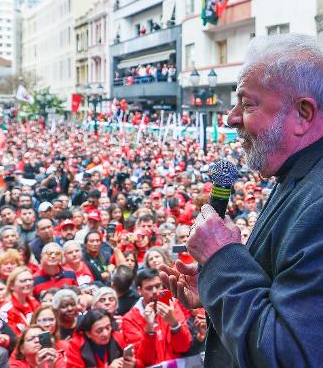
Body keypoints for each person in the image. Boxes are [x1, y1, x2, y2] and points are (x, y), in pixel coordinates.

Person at [162, 34, 323, 367]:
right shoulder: (296, 177)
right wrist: (215, 286)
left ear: (303, 113)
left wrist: (222, 259)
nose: (231, 117)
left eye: (248, 104)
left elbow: (287, 354)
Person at [122, 269, 191, 366]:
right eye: (149, 288)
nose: (155, 291)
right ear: (139, 291)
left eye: (158, 286)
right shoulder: (129, 319)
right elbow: (144, 360)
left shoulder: (172, 306)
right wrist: (149, 328)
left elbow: (184, 347)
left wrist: (174, 324)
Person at [66, 309, 142, 368]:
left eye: (108, 327)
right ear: (88, 333)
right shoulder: (76, 345)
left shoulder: (117, 337)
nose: (105, 334)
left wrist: (134, 364)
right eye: (99, 331)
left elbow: (142, 363)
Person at [0, 267, 40, 335]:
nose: (28, 283)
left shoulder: (35, 303)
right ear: (12, 285)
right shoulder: (6, 310)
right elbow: (11, 336)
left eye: (30, 280)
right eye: (23, 281)